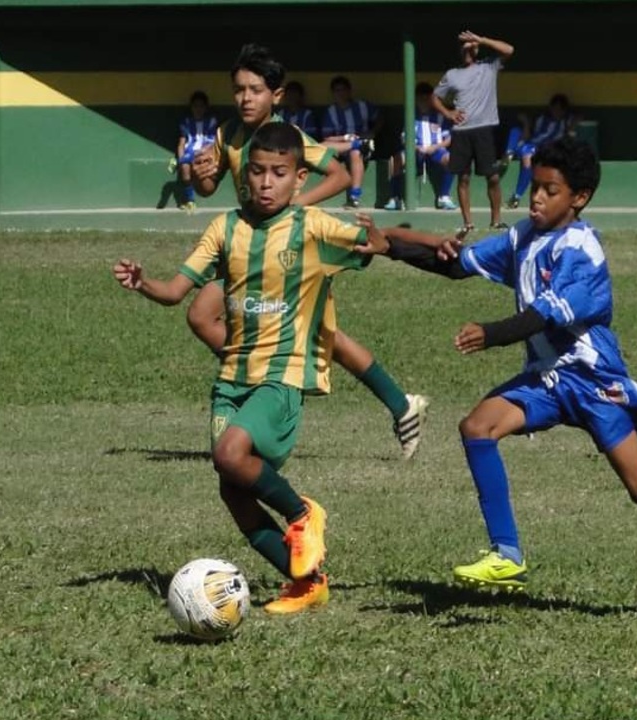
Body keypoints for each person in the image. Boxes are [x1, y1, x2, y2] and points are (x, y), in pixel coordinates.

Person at [358, 137, 637, 592]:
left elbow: (542, 315)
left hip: (593, 384)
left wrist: (491, 333)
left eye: (550, 190)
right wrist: (391, 247)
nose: (537, 197)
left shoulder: (582, 252)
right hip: (546, 381)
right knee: (477, 427)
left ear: (579, 198)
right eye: (535, 186)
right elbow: (458, 265)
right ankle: (506, 553)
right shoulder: (523, 236)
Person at [112, 124, 394, 613]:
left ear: (299, 179)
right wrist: (142, 283)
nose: (265, 182)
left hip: (282, 376)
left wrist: (382, 240)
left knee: (229, 452)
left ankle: (304, 513)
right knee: (233, 489)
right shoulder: (225, 228)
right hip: (232, 381)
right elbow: (176, 293)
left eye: (278, 173)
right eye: (257, 172)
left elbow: (378, 243)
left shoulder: (313, 228)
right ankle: (307, 582)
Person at [190, 44, 429, 459]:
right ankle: (265, 378)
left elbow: (337, 175)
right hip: (245, 246)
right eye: (239, 90)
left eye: (256, 90)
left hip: (286, 250)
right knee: (204, 315)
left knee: (321, 336)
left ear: (276, 96)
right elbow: (207, 188)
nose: (246, 98)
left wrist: (294, 208)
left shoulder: (290, 138)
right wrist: (199, 175)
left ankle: (398, 404)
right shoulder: (226, 134)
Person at [432, 30, 514, 233]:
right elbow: (435, 97)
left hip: (484, 130)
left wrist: (482, 39)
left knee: (492, 177)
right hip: (461, 131)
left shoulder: (489, 66)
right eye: (466, 46)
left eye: (473, 46)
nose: (469, 48)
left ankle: (496, 220)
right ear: (460, 51)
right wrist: (449, 113)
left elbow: (509, 50)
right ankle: (468, 223)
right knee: (464, 177)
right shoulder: (452, 74)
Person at [384, 82, 457, 212]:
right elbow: (405, 138)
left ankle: (444, 196)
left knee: (451, 159)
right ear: (416, 99)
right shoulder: (411, 115)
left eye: (427, 98)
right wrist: (417, 147)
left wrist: (435, 147)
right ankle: (395, 198)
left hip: (436, 150)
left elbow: (449, 139)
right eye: (420, 98)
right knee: (395, 159)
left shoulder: (441, 115)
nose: (424, 101)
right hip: (415, 150)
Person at [502, 93, 575, 209]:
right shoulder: (542, 119)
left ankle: (516, 197)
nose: (556, 111)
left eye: (559, 109)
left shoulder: (565, 122)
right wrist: (526, 122)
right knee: (515, 130)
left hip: (543, 149)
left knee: (527, 159)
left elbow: (572, 130)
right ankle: (509, 153)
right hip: (531, 144)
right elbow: (528, 135)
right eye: (554, 108)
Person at [321, 75, 383, 208]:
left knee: (355, 151)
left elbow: (379, 119)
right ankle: (356, 144)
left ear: (349, 91)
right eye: (337, 90)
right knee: (321, 146)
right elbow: (327, 138)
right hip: (342, 146)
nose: (340, 93)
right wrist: (345, 138)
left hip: (363, 146)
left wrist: (373, 132)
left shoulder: (363, 106)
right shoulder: (331, 111)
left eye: (343, 90)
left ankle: (354, 196)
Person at [172, 91, 218, 211]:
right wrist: (180, 159)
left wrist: (204, 152)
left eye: (201, 106)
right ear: (191, 107)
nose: (198, 109)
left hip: (205, 153)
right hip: (189, 152)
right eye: (195, 106)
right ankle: (190, 201)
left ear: (206, 107)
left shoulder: (211, 121)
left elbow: (214, 141)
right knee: (185, 172)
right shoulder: (186, 122)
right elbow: (181, 143)